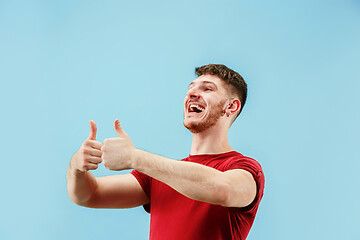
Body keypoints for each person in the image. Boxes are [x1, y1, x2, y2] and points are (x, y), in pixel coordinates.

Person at [66, 64, 265, 240]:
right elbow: (88, 195)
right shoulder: (158, 174)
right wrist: (77, 166)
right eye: (190, 89)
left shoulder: (245, 169)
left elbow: (223, 190)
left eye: (207, 89)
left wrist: (135, 157)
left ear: (231, 106)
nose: (192, 94)